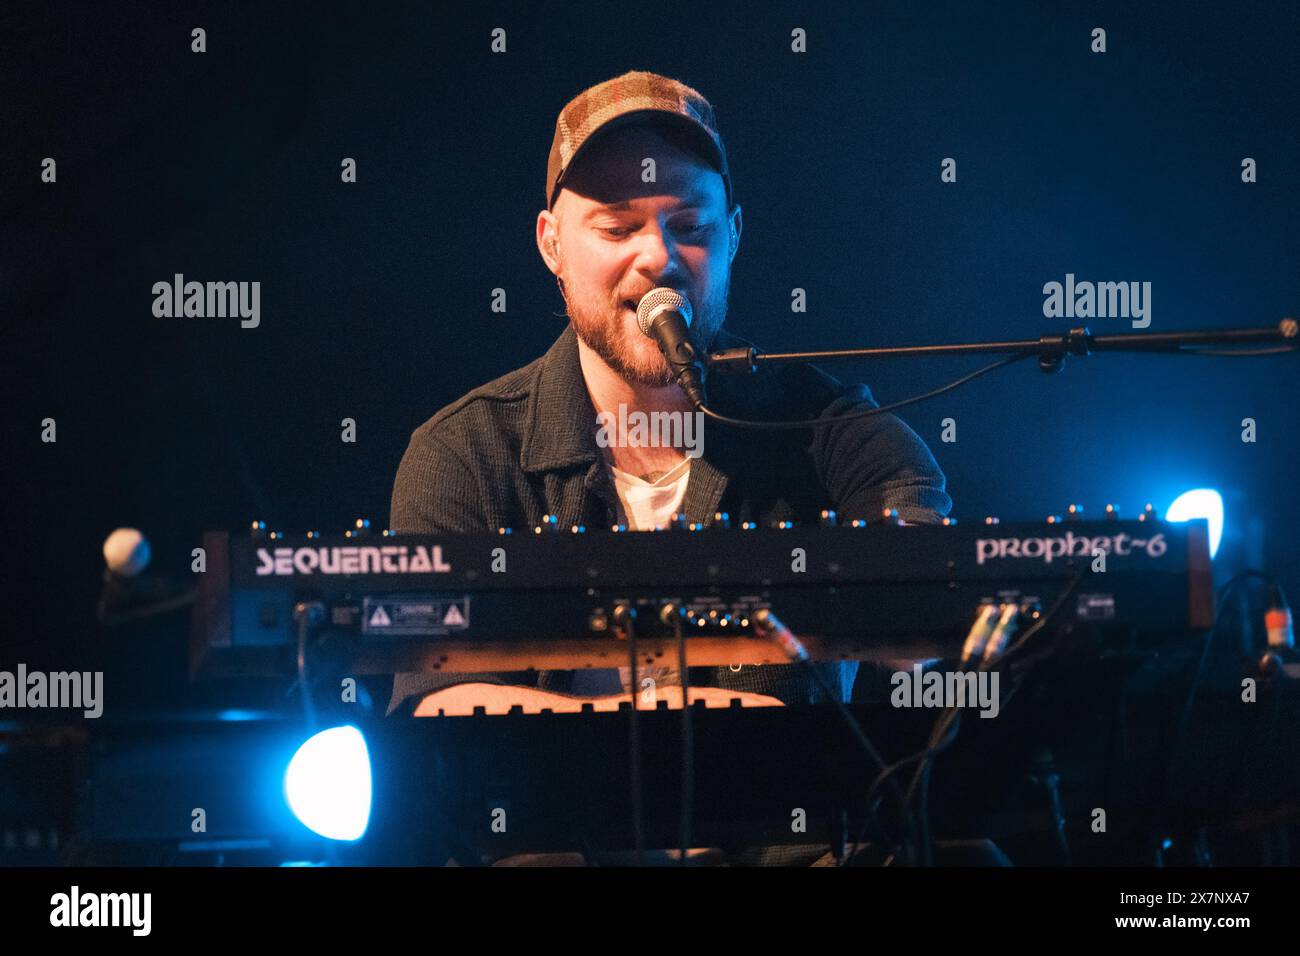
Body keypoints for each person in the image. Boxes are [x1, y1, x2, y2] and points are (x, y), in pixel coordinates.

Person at [387, 70, 951, 720]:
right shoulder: (464, 452)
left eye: (690, 226)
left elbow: (919, 627)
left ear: (734, 235)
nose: (659, 257)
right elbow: (433, 705)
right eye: (618, 228)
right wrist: (682, 721)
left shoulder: (825, 424)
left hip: (776, 825)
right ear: (551, 245)